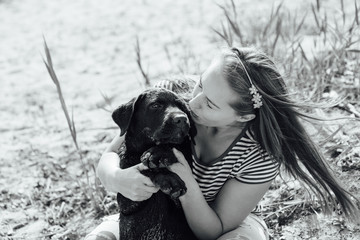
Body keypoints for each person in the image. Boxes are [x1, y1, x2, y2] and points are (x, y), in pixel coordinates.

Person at [85, 47, 358, 240]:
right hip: (152, 218)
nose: (192, 103)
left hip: (223, 229)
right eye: (200, 84)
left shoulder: (259, 156)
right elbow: (107, 159)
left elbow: (212, 230)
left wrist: (186, 183)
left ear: (243, 116)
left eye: (210, 103)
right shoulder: (171, 100)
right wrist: (119, 178)